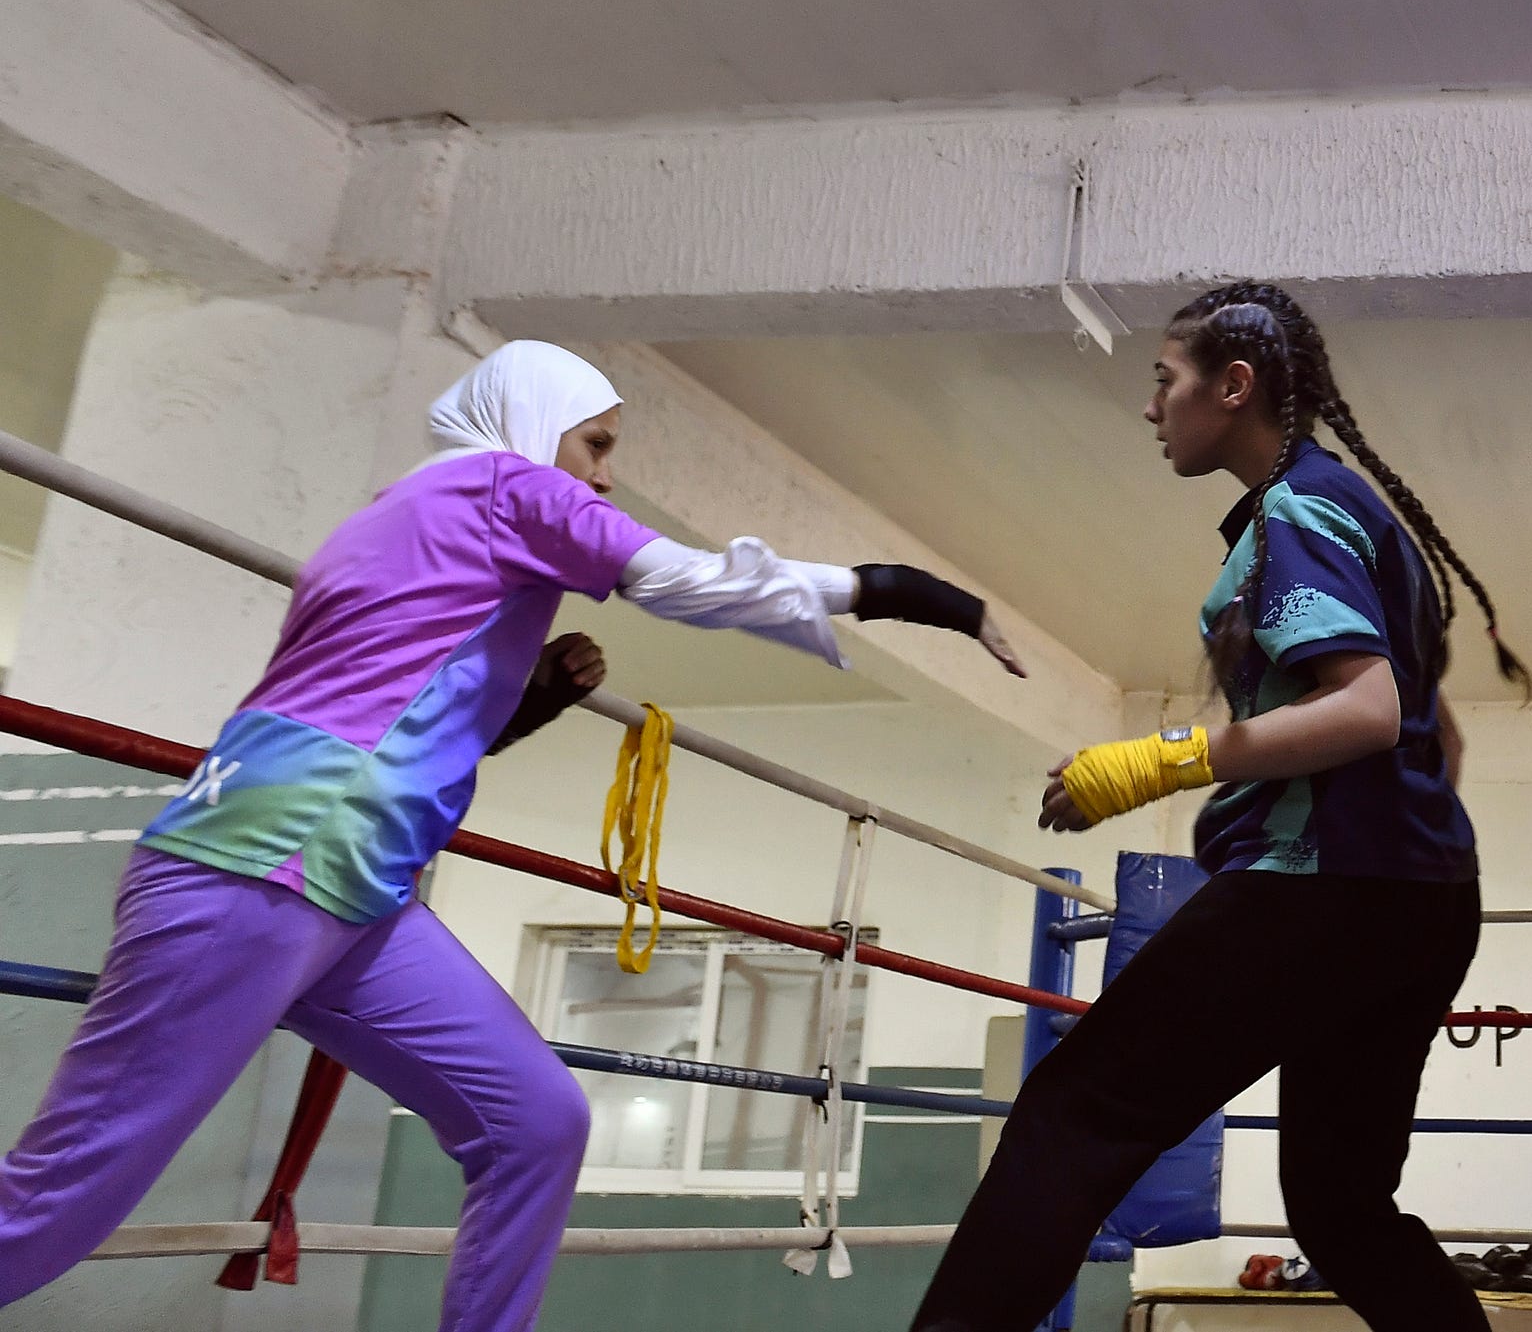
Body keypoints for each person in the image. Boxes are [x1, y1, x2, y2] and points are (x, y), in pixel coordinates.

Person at [0, 340, 1024, 1332]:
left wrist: (529, 699)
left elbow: (405, 723)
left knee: (537, 1122)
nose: (605, 479)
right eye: (597, 445)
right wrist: (902, 590)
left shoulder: (407, 516)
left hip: (357, 895)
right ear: (534, 430)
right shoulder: (501, 484)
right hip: (262, 866)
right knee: (63, 1196)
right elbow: (686, 582)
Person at [912, 282, 1526, 1332]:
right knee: (1338, 1204)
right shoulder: (1357, 508)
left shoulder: (1298, 508)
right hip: (1420, 897)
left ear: (1231, 386)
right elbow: (1439, 734)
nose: (1151, 407)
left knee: (1073, 1112)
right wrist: (1386, 874)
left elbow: (1369, 709)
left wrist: (1160, 761)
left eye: (1164, 379)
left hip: (1323, 886)